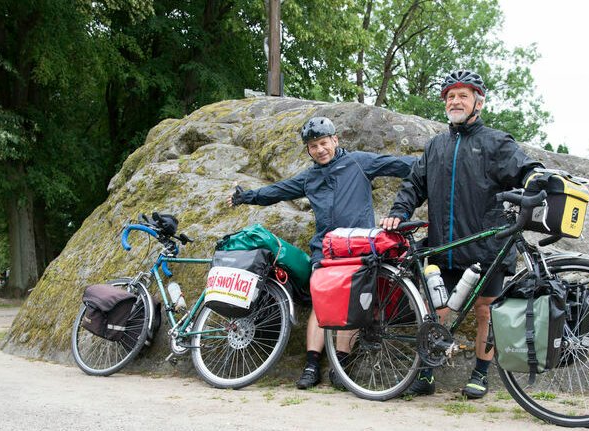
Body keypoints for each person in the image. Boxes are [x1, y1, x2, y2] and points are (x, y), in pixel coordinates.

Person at [381, 70, 543, 398]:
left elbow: (526, 168)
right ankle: (425, 373)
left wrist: (538, 180)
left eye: (463, 96)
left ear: (478, 103)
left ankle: (481, 373)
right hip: (446, 245)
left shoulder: (496, 142)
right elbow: (415, 184)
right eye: (450, 96)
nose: (455, 101)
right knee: (436, 311)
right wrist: (399, 212)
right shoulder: (436, 146)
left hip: (487, 247)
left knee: (487, 311)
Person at [228, 116, 416, 389]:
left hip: (357, 246)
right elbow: (277, 191)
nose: (319, 149)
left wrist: (433, 163)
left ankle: (341, 364)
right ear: (308, 150)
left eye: (323, 143)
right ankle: (311, 365)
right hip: (325, 249)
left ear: (335, 140)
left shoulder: (358, 162)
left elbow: (399, 165)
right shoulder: (309, 177)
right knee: (321, 303)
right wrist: (247, 196)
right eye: (313, 146)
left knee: (353, 303)